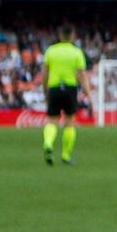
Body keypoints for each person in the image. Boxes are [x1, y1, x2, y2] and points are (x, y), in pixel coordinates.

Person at [41, 28, 88, 165]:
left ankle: (48, 143)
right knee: (69, 122)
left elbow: (45, 72)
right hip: (70, 88)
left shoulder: (51, 51)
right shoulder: (76, 52)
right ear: (72, 36)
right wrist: (87, 91)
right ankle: (66, 156)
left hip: (54, 88)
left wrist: (45, 88)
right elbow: (81, 74)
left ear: (60, 35)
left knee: (52, 121)